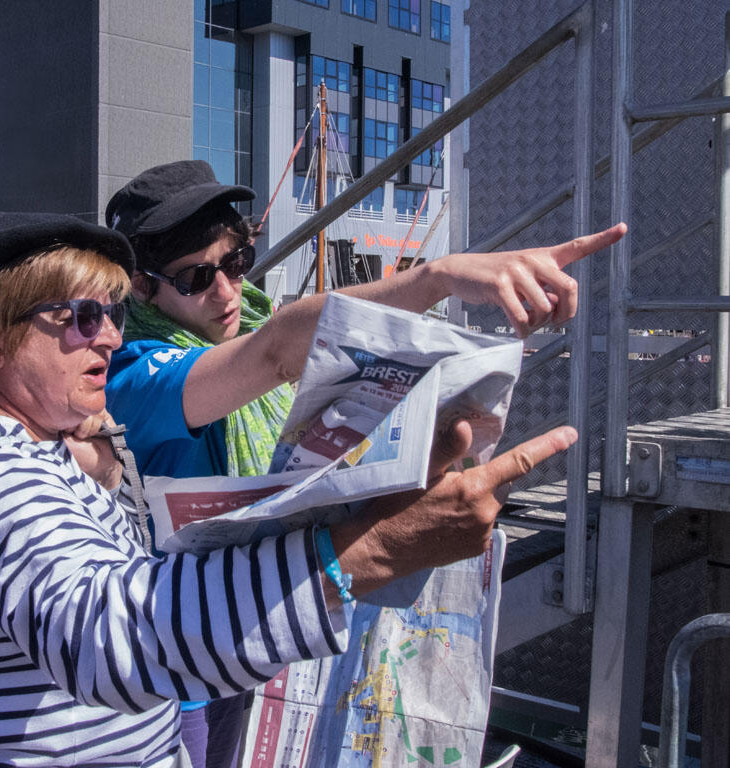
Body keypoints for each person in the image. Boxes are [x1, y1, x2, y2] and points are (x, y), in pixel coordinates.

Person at [0, 211, 577, 767]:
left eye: (112, 314)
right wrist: (374, 549)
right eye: (80, 317)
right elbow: (105, 640)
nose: (109, 340)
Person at [102, 159, 627, 765]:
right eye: (196, 278)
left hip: (251, 641)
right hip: (180, 675)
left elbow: (277, 350)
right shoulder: (133, 374)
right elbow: (277, 352)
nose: (225, 292)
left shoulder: (241, 327)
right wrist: (438, 277)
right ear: (140, 286)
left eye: (236, 263)